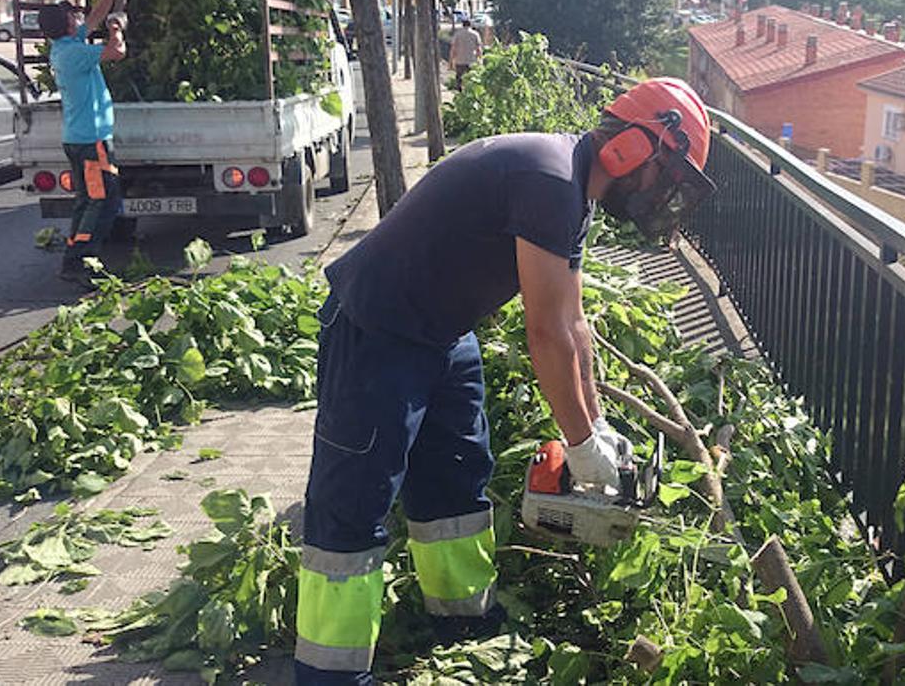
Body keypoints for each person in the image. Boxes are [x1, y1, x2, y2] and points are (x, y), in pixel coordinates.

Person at [294, 78, 716, 684]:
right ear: (633, 149)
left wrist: (598, 429)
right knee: (354, 506)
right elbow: (543, 333)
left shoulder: (573, 191)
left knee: (457, 485)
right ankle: (330, 673)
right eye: (667, 176)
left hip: (443, 333)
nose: (664, 194)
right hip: (377, 332)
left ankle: (463, 632)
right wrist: (576, 444)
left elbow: (575, 327)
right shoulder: (550, 180)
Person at [39, 0, 130, 286]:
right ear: (66, 25)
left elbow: (94, 18)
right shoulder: (74, 53)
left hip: (81, 139)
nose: (78, 19)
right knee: (102, 201)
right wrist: (117, 28)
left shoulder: (64, 46)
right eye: (72, 16)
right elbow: (117, 52)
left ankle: (76, 255)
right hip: (93, 143)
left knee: (88, 200)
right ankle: (79, 259)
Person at [448, 17, 482, 89]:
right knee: (472, 79)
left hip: (460, 60)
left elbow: (453, 48)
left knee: (459, 78)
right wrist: (480, 59)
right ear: (470, 25)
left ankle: (459, 92)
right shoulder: (475, 34)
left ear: (462, 25)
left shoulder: (457, 34)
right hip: (471, 60)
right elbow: (478, 48)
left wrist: (451, 61)